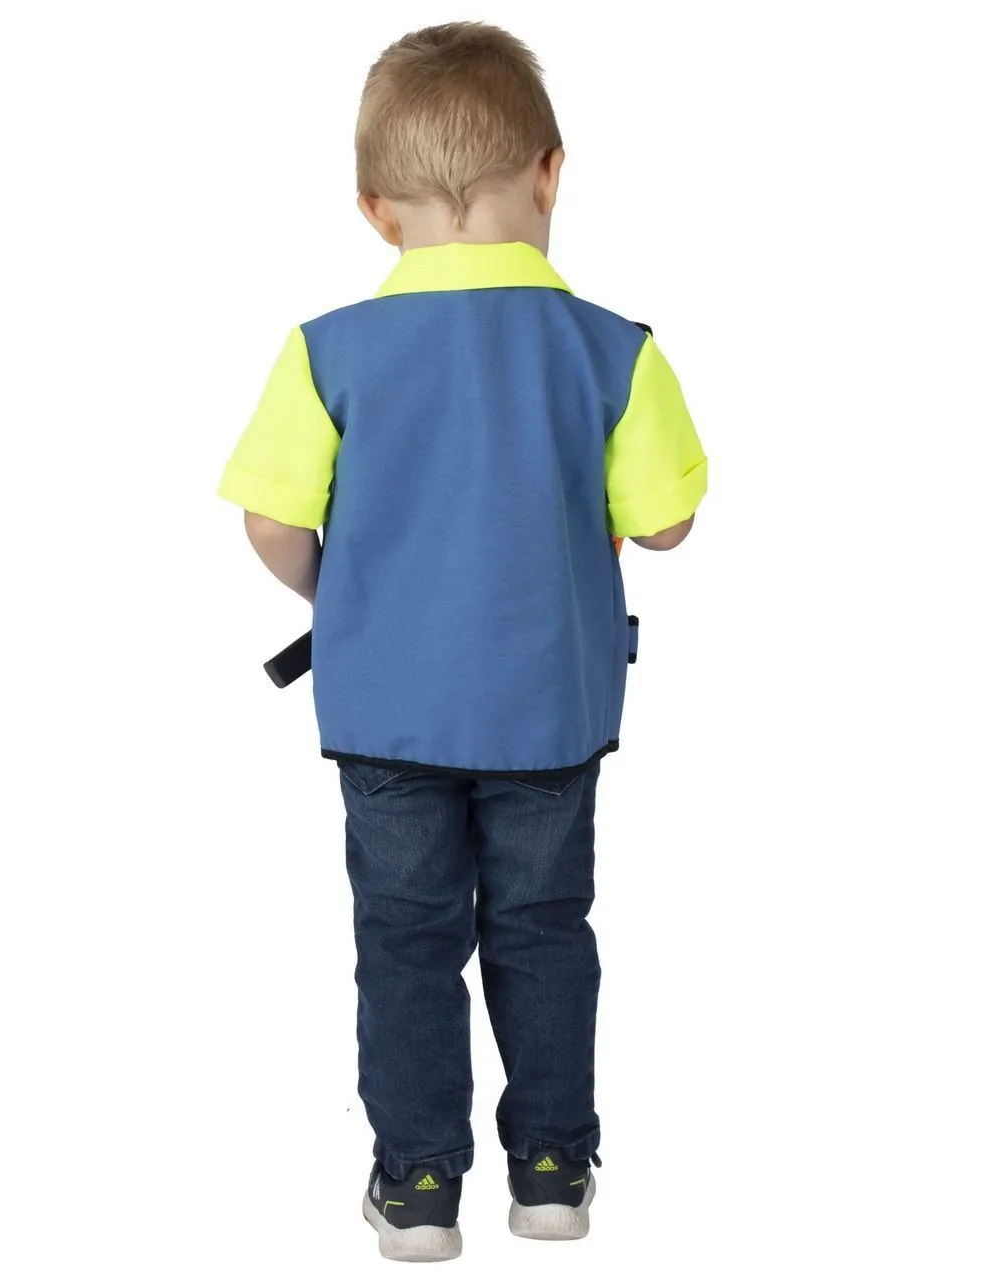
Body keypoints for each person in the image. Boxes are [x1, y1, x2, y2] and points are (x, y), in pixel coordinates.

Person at [218, 22, 707, 1263]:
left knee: (404, 937)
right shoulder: (614, 348)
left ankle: (418, 1180)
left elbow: (270, 520)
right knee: (543, 925)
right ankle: (549, 1168)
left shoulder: (327, 349)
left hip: (384, 712)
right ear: (550, 173)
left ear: (374, 207)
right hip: (548, 709)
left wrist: (343, 597)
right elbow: (666, 524)